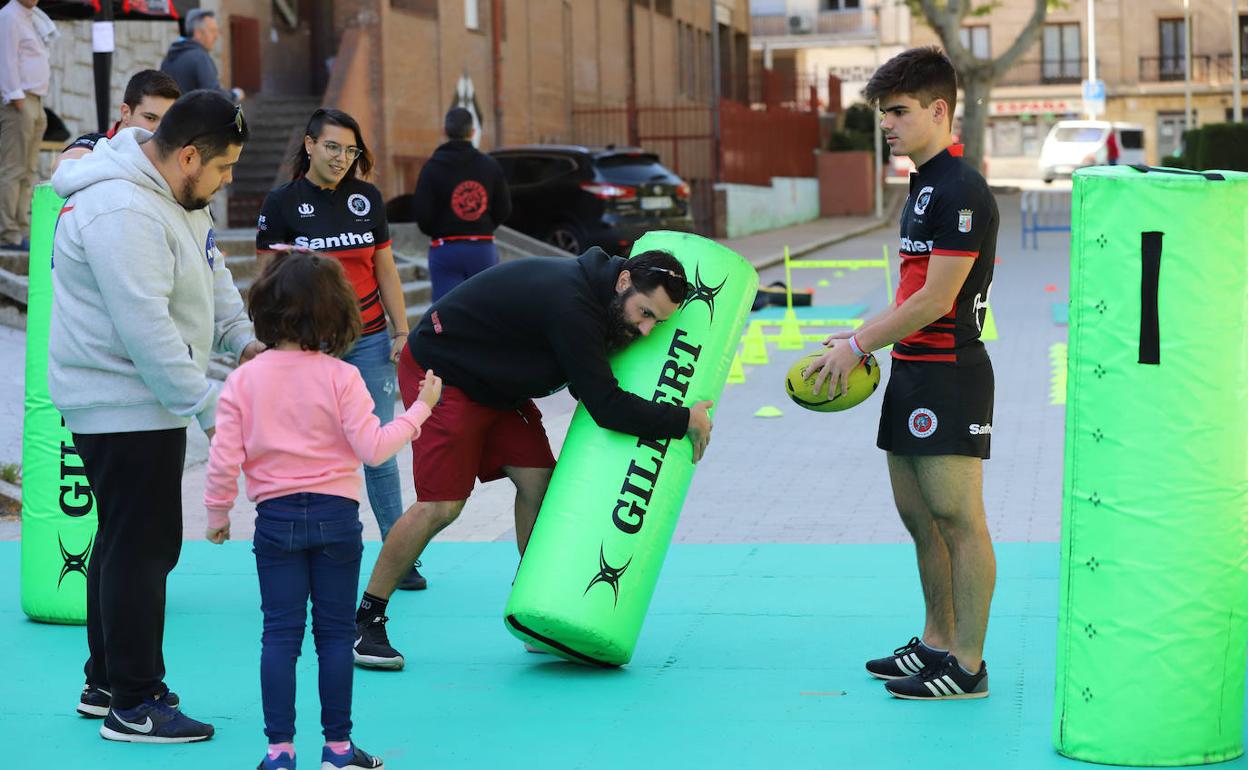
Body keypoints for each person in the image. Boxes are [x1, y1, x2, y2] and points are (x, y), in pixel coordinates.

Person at [351, 247, 715, 670]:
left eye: (658, 322)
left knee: (541, 486)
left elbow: (586, 381)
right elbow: (606, 406)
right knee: (442, 506)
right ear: (623, 281)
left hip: (496, 384)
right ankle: (365, 621)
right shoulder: (572, 303)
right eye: (646, 313)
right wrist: (683, 418)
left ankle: (536, 606)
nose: (647, 330)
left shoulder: (607, 301)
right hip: (442, 372)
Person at [49, 89, 263, 742]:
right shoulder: (122, 209)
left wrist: (246, 344)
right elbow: (147, 329)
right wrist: (209, 411)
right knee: (145, 550)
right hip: (123, 404)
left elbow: (211, 276)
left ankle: (107, 681)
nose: (226, 182)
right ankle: (134, 703)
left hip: (140, 404)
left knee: (121, 544)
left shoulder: (176, 196)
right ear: (190, 155)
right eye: (224, 169)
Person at [805, 46, 999, 700]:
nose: (886, 124)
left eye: (898, 111)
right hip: (910, 371)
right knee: (920, 520)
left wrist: (858, 344)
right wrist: (860, 336)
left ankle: (968, 666)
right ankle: (937, 642)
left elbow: (936, 299)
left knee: (958, 520)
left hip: (950, 372)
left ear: (938, 110)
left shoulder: (961, 189)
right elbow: (909, 288)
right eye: (883, 113)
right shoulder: (919, 186)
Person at [204, 248, 442, 770]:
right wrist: (422, 407)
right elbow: (375, 449)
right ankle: (337, 749)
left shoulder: (244, 380)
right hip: (337, 519)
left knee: (280, 635)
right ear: (337, 311)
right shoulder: (341, 378)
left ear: (265, 307)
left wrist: (218, 513)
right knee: (334, 637)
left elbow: (225, 452)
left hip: (276, 521)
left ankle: (278, 751)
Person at [255, 109, 424, 589]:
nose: (341, 158)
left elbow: (385, 269)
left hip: (370, 340)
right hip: (310, 348)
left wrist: (401, 330)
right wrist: (275, 346)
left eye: (350, 151)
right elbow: (268, 279)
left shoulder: (367, 198)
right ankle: (305, 548)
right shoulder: (282, 202)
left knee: (379, 448)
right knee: (312, 447)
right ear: (309, 145)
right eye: (332, 147)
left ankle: (399, 555)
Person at [412, 106, 511, 300]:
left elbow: (423, 216)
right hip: (482, 248)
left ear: (444, 132)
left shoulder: (431, 168)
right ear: (473, 132)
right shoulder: (490, 166)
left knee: (446, 312)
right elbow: (504, 209)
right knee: (486, 309)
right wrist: (482, 225)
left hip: (445, 249)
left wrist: (441, 229)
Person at [0, 0, 52, 251]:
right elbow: (5, 58)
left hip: (35, 101)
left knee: (28, 170)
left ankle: (19, 230)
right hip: (19, 101)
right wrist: (17, 98)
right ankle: (8, 232)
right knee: (13, 168)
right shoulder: (9, 16)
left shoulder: (31, 17)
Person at [55, 69, 181, 169]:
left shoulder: (172, 156)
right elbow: (63, 165)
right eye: (150, 118)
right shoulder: (96, 144)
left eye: (165, 121)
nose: (158, 129)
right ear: (126, 113)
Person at [160, 9, 244, 103]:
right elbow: (214, 97)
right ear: (198, 34)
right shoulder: (200, 58)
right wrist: (234, 95)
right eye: (212, 31)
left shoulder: (168, 59)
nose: (216, 36)